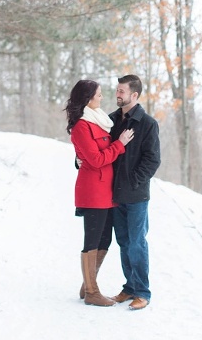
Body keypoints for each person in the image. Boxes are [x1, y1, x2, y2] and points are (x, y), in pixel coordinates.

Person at [65, 80, 133, 307]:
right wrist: (120, 144)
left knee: (105, 238)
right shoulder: (82, 126)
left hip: (107, 190)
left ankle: (88, 285)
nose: (102, 98)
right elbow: (95, 160)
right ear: (87, 98)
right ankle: (93, 292)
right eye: (99, 94)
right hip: (93, 190)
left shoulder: (100, 120)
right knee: (92, 239)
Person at [108, 74, 161, 311]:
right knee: (123, 241)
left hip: (137, 195)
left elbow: (153, 160)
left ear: (134, 95)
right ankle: (129, 287)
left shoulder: (147, 123)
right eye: (117, 90)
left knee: (137, 243)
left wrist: (133, 181)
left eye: (122, 91)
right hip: (113, 194)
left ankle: (142, 291)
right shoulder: (110, 120)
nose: (117, 94)